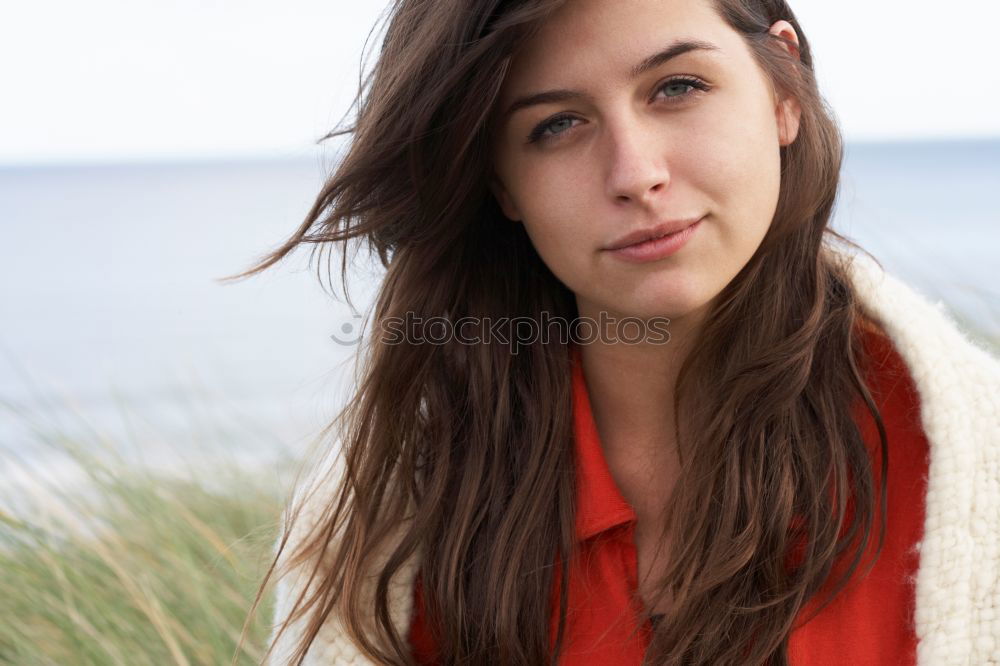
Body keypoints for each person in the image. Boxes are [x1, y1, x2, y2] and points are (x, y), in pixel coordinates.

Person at [232, 0, 1000, 663]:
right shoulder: (399, 499)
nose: (635, 173)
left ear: (781, 90)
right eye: (557, 124)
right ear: (501, 180)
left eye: (678, 87)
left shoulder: (970, 456)